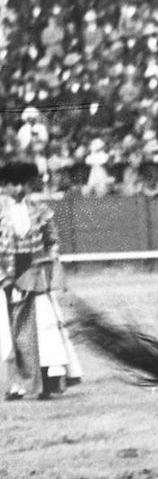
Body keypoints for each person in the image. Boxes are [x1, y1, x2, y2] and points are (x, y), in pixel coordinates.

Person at [0, 161, 81, 400]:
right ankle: (18, 384)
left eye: (23, 183)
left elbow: (51, 238)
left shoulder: (38, 208)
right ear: (4, 186)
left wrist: (51, 259)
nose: (19, 189)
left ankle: (48, 381)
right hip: (9, 278)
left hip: (36, 275)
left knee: (45, 329)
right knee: (11, 334)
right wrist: (4, 279)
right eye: (14, 184)